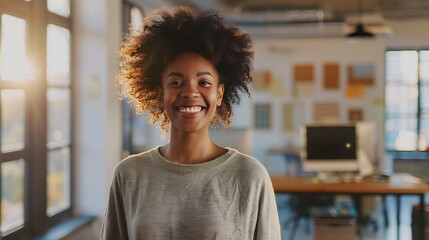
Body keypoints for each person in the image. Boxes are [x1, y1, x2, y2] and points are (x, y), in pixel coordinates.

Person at [101, 5, 280, 240]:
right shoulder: (128, 174)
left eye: (204, 83)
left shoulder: (250, 175)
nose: (190, 92)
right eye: (176, 83)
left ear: (219, 94)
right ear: (159, 93)